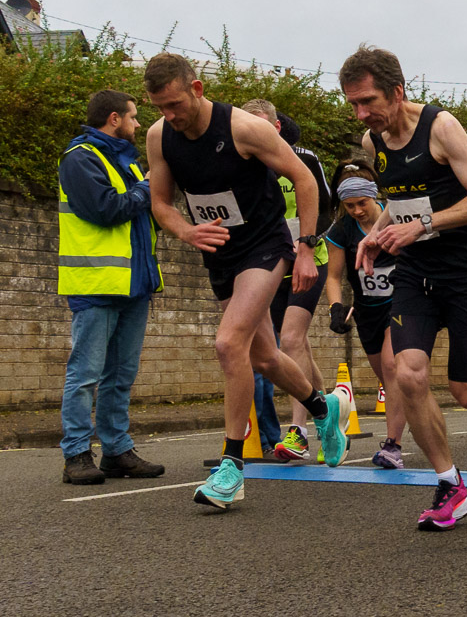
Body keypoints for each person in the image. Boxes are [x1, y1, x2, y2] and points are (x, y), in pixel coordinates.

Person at [340, 45, 467, 531]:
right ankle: (450, 484)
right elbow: (401, 203)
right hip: (414, 270)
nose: (361, 114)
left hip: (463, 269)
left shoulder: (441, 127)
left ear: (398, 91)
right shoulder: (374, 144)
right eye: (353, 104)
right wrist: (377, 234)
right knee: (407, 372)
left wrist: (424, 226)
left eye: (368, 101)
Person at [144, 53, 351, 509]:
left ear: (197, 90)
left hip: (264, 244)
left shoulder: (243, 128)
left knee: (227, 343)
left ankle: (231, 467)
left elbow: (304, 180)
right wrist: (186, 230)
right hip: (220, 251)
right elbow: (160, 202)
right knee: (263, 356)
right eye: (161, 107)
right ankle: (324, 408)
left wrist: (305, 248)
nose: (171, 116)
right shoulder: (159, 137)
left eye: (177, 104)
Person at [57, 89, 165, 485]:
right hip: (97, 284)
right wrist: (148, 188)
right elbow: (105, 209)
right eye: (134, 117)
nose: (138, 125)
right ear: (115, 119)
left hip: (135, 284)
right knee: (85, 374)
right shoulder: (80, 158)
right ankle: (76, 455)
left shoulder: (127, 162)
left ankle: (117, 450)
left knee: (121, 374)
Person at [239, 99, 335, 461]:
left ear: (275, 127)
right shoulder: (243, 167)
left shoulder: (303, 158)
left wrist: (305, 246)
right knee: (295, 349)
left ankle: (298, 432)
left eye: (260, 123)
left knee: (291, 338)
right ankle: (327, 412)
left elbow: (328, 209)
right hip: (271, 266)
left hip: (311, 259)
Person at [324, 163, 408, 468]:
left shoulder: (396, 217)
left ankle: (392, 446)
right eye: (350, 205)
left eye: (363, 203)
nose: (357, 210)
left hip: (401, 303)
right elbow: (333, 277)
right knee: (388, 377)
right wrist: (336, 308)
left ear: (375, 196)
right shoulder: (341, 230)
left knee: (391, 364)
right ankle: (413, 407)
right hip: (367, 312)